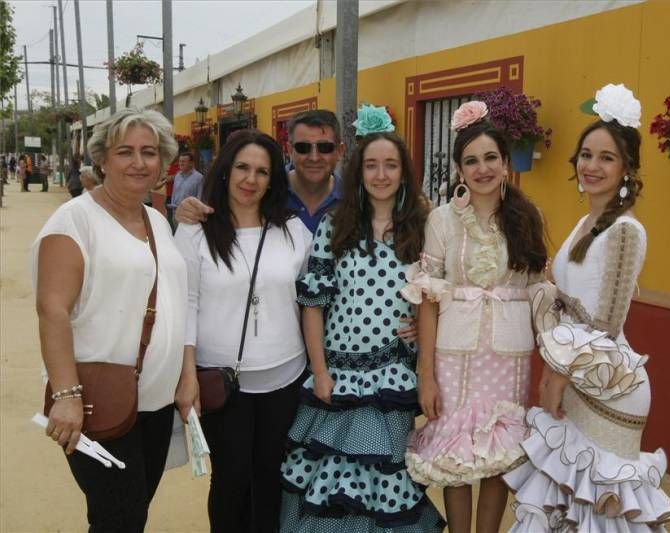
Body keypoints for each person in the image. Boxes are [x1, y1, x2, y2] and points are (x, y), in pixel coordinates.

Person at [503, 84, 670, 531]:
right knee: (567, 506)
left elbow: (605, 322)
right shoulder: (587, 221)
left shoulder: (624, 232)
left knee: (599, 507)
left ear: (626, 169)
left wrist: (555, 375)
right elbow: (568, 299)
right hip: (578, 377)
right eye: (586, 154)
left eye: (606, 157)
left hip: (608, 384)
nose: (591, 166)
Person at [280, 127, 445, 532]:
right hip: (337, 377)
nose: (381, 175)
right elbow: (314, 305)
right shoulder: (336, 225)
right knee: (333, 478)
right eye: (372, 165)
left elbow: (436, 297)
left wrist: (421, 337)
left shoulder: (423, 228)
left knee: (380, 480)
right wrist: (320, 371)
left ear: (404, 173)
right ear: (359, 172)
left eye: (391, 165)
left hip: (391, 377)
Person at [32, 108, 187, 531]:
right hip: (97, 402)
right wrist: (65, 395)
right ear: (102, 159)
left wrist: (184, 377)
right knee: (119, 519)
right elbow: (52, 309)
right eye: (125, 152)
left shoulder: (156, 218)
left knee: (130, 515)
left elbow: (175, 299)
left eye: (149, 152)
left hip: (155, 401)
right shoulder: (75, 221)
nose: (139, 163)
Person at [400, 102, 549, 533]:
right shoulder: (443, 220)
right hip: (453, 355)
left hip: (509, 355)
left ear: (505, 163)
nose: (482, 168)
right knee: (456, 454)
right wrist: (425, 373)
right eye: (471, 160)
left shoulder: (527, 217)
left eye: (490, 158)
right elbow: (427, 297)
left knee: (498, 454)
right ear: (459, 171)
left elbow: (539, 291)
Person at [173, 129, 312, 533]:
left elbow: (316, 300)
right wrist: (186, 379)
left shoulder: (293, 231)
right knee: (231, 480)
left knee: (271, 477)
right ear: (225, 170)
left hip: (285, 378)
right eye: (243, 168)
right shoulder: (196, 231)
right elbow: (186, 304)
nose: (250, 180)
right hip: (221, 382)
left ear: (273, 179)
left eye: (262, 171)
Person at [175, 109, 344, 234]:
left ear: (340, 151)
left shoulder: (357, 200)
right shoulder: (261, 190)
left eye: (325, 147)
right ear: (290, 149)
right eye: (303, 147)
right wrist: (189, 211)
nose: (314, 157)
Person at [166, 152, 203, 230]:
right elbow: (174, 193)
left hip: (189, 216)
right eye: (180, 161)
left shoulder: (199, 178)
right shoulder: (177, 176)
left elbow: (200, 198)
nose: (180, 163)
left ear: (191, 163)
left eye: (183, 161)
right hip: (176, 213)